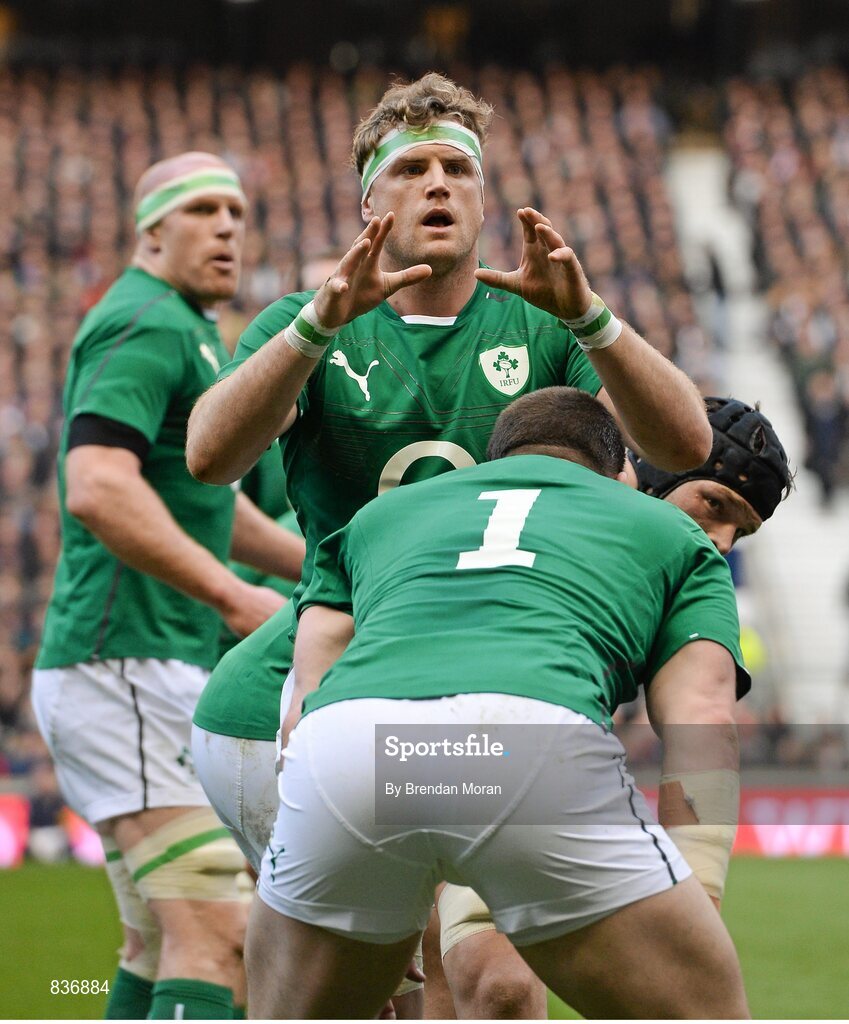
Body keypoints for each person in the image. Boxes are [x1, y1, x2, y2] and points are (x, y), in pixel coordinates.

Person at [186, 73, 712, 1018]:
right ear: (369, 204)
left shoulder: (543, 317)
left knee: (478, 977)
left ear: (483, 197)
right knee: (404, 979)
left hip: (468, 676)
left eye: (457, 169)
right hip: (319, 668)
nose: (438, 185)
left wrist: (593, 317)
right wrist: (312, 327)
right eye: (414, 168)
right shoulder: (315, 321)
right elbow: (209, 455)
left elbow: (682, 446)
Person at [244, 387, 751, 1019]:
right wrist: (699, 888)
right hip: (526, 742)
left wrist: (349, 877)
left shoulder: (378, 518)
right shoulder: (675, 535)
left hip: (350, 752)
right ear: (619, 467)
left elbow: (307, 696)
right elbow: (701, 723)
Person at [30, 152, 304, 1021]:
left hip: (135, 669)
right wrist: (232, 596)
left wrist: (340, 569)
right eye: (204, 210)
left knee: (157, 941)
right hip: (129, 666)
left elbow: (218, 514)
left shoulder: (188, 328)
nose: (228, 227)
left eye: (238, 212)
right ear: (152, 229)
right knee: (221, 938)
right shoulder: (146, 322)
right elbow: (100, 486)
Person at [433, 393, 793, 1018]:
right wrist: (700, 892)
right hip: (424, 749)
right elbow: (703, 725)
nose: (723, 542)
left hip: (396, 756)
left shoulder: (687, 570)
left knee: (494, 991)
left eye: (743, 531)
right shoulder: (649, 548)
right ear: (653, 468)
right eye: (715, 504)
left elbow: (703, 723)